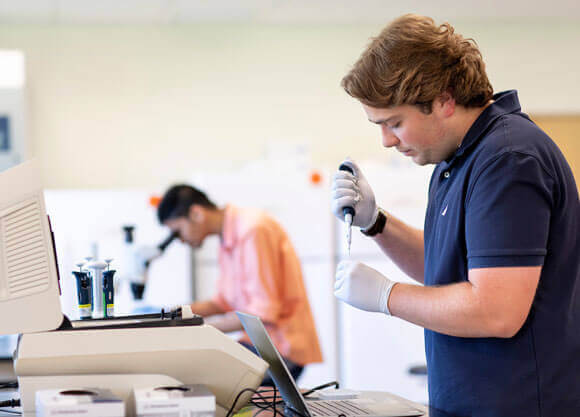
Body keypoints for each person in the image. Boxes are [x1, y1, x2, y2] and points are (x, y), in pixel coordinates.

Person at [331, 14, 579, 417]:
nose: (387, 140)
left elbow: (496, 310)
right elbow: (446, 269)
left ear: (444, 100)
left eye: (395, 123)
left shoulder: (508, 158)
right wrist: (376, 222)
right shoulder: (459, 159)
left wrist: (385, 295)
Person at [157, 184, 323, 384]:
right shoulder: (227, 238)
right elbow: (222, 302)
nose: (181, 241)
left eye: (178, 232)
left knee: (199, 378)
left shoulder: (253, 229)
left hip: (281, 348)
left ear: (196, 213)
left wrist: (200, 330)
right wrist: (171, 315)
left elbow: (262, 314)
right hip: (259, 343)